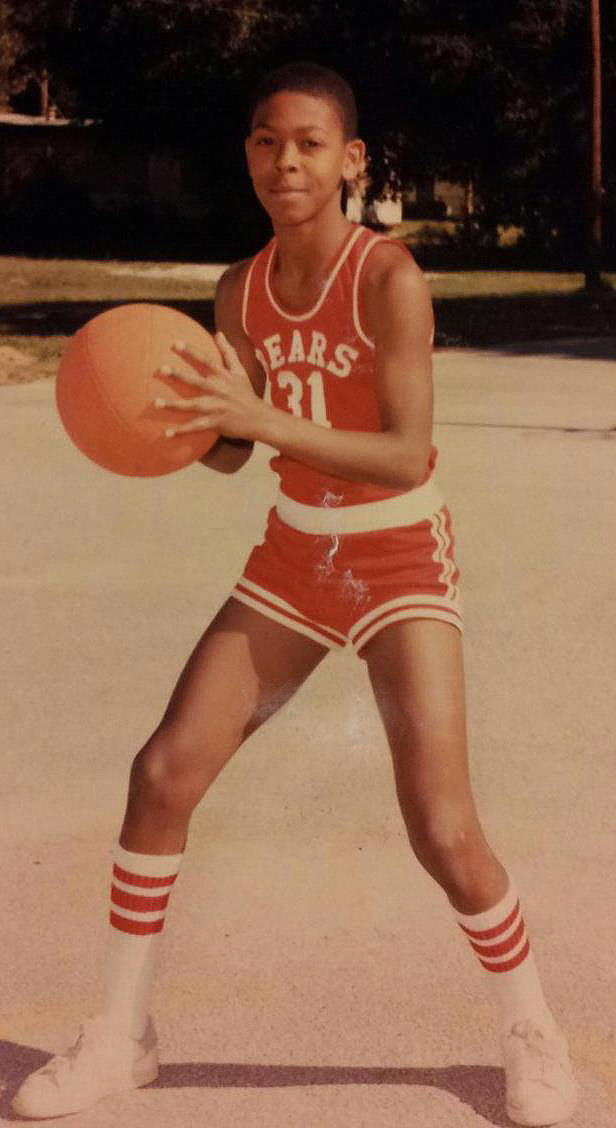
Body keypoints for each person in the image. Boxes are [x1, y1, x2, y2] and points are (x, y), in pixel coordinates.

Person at [13, 62, 578, 1126]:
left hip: (398, 553)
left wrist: (259, 422)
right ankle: (123, 1036)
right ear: (248, 157)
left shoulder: (388, 279)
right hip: (293, 558)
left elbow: (404, 453)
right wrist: (158, 414)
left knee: (441, 827)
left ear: (350, 161)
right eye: (268, 142)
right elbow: (234, 449)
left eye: (311, 143)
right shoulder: (238, 289)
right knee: (162, 771)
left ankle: (532, 1033)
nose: (287, 161)